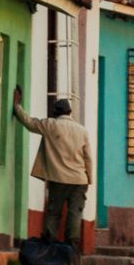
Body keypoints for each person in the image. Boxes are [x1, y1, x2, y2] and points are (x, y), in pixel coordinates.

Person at [12, 87, 92, 245]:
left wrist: (16, 106)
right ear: (69, 112)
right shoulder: (82, 131)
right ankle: (72, 249)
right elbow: (88, 157)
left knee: (54, 213)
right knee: (75, 213)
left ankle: (50, 246)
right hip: (79, 180)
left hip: (58, 178)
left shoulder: (50, 125)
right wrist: (89, 179)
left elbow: (29, 122)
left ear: (55, 112)